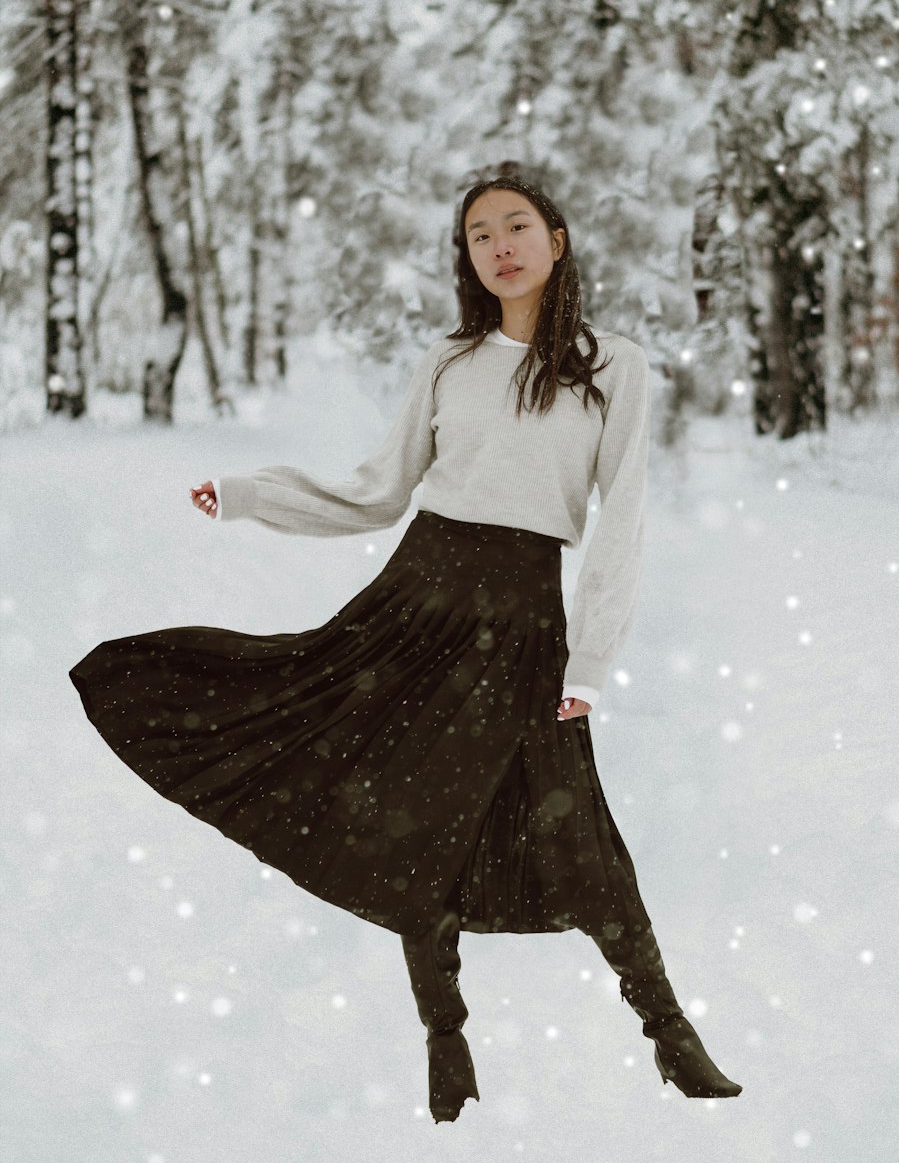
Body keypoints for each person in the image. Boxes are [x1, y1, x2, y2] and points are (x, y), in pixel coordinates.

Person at [70, 176, 742, 1123]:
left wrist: (588, 664)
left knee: (580, 837)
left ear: (556, 240)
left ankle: (671, 1037)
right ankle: (445, 1037)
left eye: (517, 227)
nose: (499, 246)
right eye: (478, 235)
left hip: (522, 626)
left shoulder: (612, 367)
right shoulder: (450, 362)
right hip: (416, 602)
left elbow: (619, 524)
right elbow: (377, 494)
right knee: (409, 819)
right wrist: (255, 493)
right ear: (467, 259)